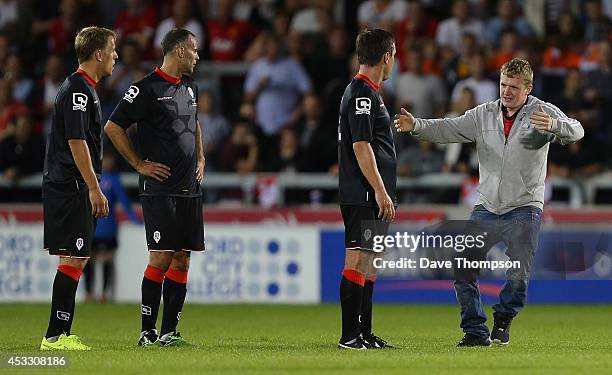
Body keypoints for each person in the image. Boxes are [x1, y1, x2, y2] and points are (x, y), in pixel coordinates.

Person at [394, 58, 584, 347]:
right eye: (503, 84)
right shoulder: (483, 114)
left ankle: (504, 318)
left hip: (524, 206)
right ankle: (474, 331)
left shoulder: (542, 111)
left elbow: (577, 130)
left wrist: (556, 125)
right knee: (463, 266)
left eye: (513, 87)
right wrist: (416, 125)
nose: (506, 91)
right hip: (487, 206)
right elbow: (449, 128)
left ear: (528, 88)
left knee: (518, 275)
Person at [104, 28, 204, 347]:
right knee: (161, 257)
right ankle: (146, 331)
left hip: (189, 187)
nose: (198, 56)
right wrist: (138, 164)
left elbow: (195, 120)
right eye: (194, 50)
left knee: (182, 259)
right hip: (159, 188)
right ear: (179, 51)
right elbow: (113, 126)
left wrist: (200, 156)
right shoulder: (145, 88)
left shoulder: (191, 87)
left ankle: (169, 332)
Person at [40, 26, 117, 351]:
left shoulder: (84, 88)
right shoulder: (78, 91)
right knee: (73, 257)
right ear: (98, 53)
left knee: (76, 258)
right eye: (112, 50)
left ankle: (61, 332)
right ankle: (55, 337)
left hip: (72, 185)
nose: (115, 56)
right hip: (70, 186)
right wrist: (93, 188)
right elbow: (76, 141)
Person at [337, 29, 397, 350]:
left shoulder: (369, 93)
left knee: (371, 261)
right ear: (386, 57)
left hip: (371, 193)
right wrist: (379, 190)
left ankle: (364, 333)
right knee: (357, 260)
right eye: (394, 57)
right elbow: (361, 146)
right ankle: (349, 336)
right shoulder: (362, 94)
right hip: (363, 193)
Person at [82, 149, 142, 303]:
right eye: (105, 158)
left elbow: (124, 202)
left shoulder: (113, 180)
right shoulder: (91, 178)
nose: (107, 162)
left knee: (107, 259)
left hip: (108, 228)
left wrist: (136, 220)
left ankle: (103, 294)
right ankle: (89, 293)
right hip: (91, 227)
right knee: (88, 259)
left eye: (109, 159)